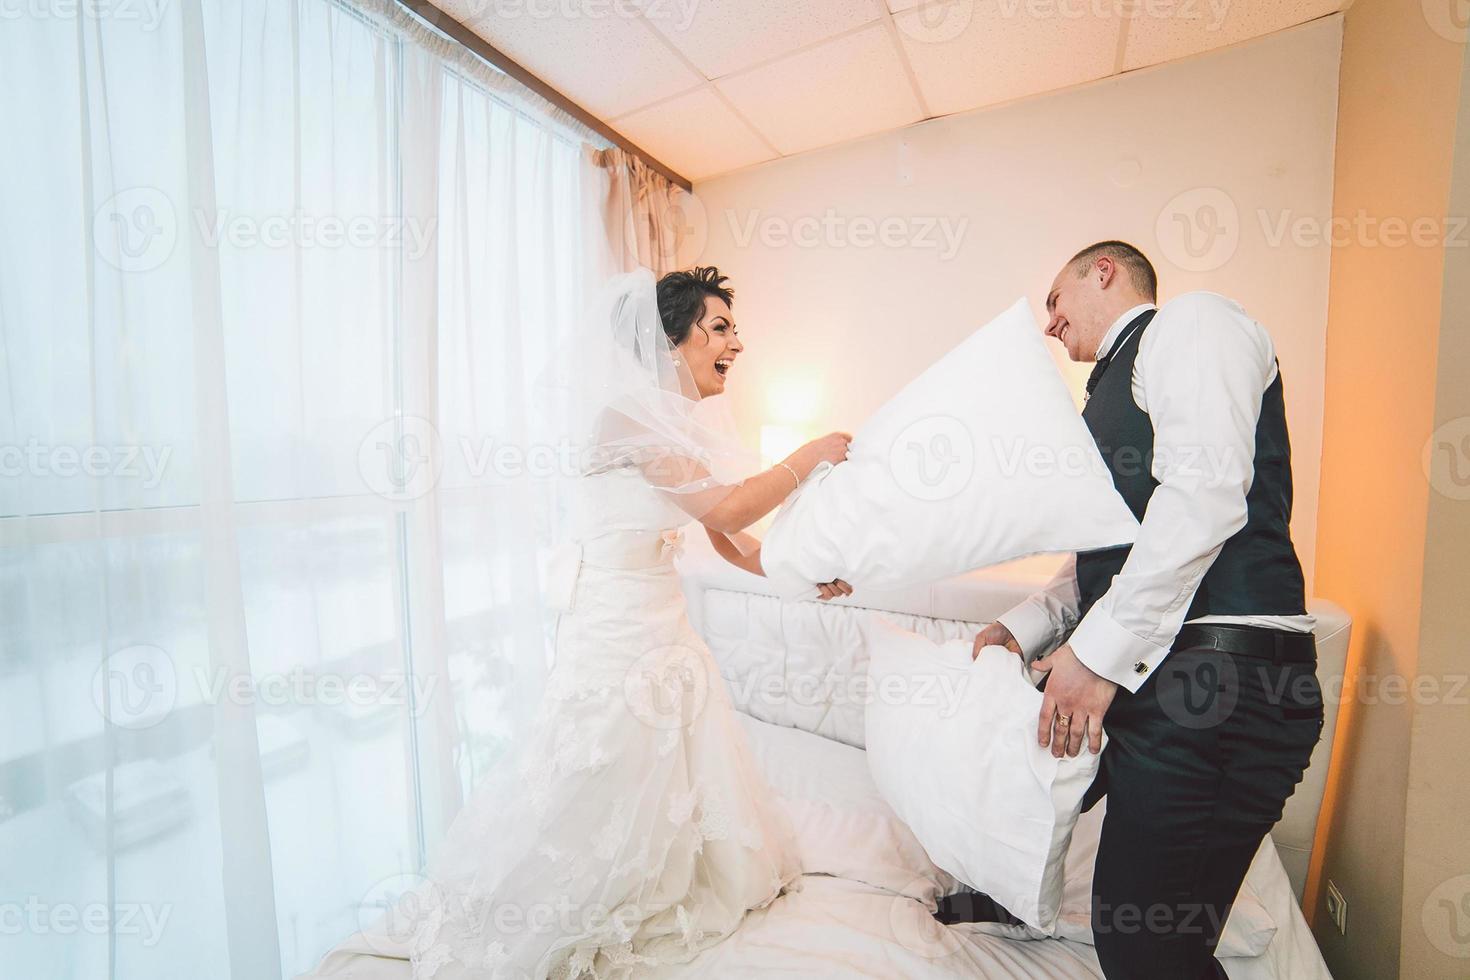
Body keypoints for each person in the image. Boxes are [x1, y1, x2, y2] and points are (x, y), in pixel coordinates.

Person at [398, 266, 852, 980]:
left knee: (669, 762)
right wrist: (807, 455)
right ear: (672, 340)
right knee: (598, 762)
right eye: (721, 328)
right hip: (612, 626)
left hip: (660, 618)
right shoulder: (627, 416)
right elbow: (729, 510)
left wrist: (798, 574)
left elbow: (730, 542)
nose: (738, 344)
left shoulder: (675, 427)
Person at [971, 242, 1325, 979]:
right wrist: (1028, 626)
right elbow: (1119, 546)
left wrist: (1094, 660)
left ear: (1102, 272)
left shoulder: (1193, 325)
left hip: (1221, 684)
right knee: (1139, 930)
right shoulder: (1107, 396)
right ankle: (994, 896)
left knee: (1145, 949)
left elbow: (1202, 499)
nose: (1050, 323)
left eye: (1055, 299)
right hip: (1174, 679)